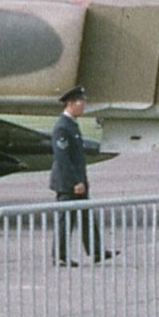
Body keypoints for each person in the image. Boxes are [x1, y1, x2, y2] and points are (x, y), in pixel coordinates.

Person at [49, 85, 112, 265]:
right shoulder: (62, 127)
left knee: (86, 218)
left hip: (78, 181)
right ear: (70, 104)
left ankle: (97, 251)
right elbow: (63, 158)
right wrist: (75, 181)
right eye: (81, 103)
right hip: (68, 183)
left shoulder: (71, 125)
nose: (83, 107)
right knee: (65, 221)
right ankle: (60, 257)